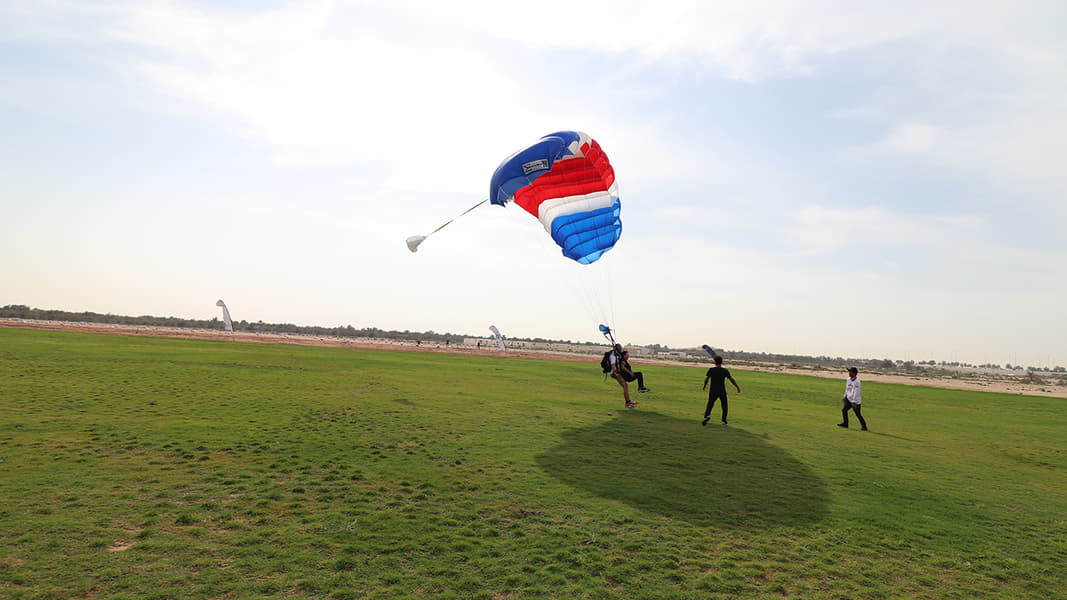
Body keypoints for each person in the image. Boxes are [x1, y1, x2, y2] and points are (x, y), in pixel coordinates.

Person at [702, 355, 740, 426]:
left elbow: (707, 379)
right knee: (724, 407)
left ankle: (707, 416)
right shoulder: (725, 371)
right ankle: (724, 421)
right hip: (722, 391)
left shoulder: (711, 370)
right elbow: (731, 379)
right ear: (721, 362)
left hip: (713, 390)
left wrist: (704, 386)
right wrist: (737, 386)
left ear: (715, 362)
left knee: (710, 404)